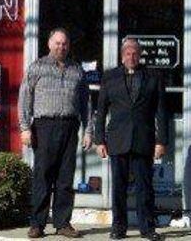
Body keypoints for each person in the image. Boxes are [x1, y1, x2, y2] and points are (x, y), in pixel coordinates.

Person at [18, 28, 93, 238]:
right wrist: (24, 128)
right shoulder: (37, 68)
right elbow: (24, 98)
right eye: (57, 43)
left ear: (68, 46)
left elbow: (86, 103)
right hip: (44, 126)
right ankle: (37, 224)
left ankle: (62, 223)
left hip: (70, 126)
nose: (61, 47)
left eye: (65, 44)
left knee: (65, 178)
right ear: (49, 44)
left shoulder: (76, 70)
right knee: (42, 176)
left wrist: (88, 131)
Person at [95, 38, 168, 241]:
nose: (131, 56)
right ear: (122, 56)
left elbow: (162, 112)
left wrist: (161, 141)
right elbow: (101, 111)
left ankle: (147, 228)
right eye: (127, 53)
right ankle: (118, 227)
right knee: (118, 187)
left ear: (140, 54)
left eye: (135, 53)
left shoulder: (154, 76)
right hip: (117, 141)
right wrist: (100, 140)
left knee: (145, 188)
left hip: (144, 141)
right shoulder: (109, 77)